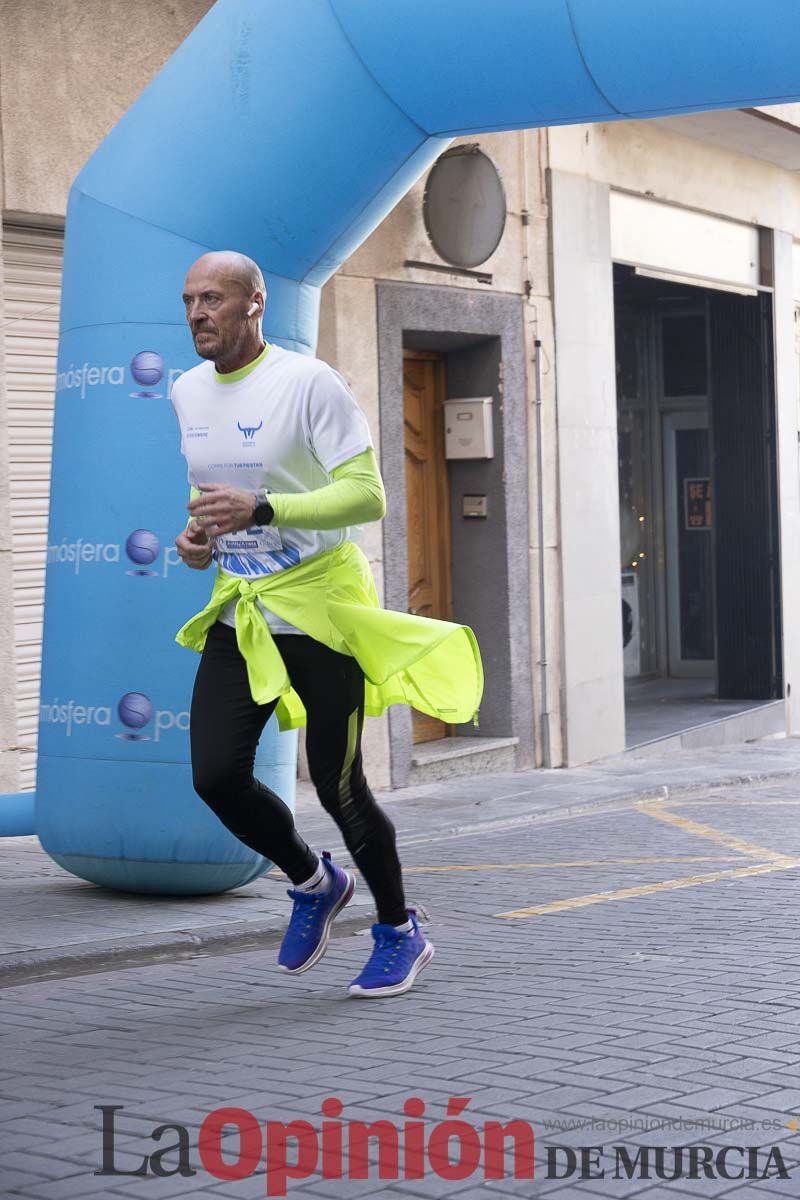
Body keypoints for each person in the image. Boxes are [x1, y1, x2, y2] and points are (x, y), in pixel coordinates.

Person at [171, 250, 482, 998]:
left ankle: (399, 931)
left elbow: (368, 495)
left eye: (212, 298)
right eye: (188, 300)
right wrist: (197, 539)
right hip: (243, 606)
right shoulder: (185, 392)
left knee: (341, 789)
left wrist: (268, 509)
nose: (196, 314)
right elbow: (215, 499)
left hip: (320, 608)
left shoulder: (308, 382)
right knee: (215, 776)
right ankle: (314, 883)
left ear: (254, 303)